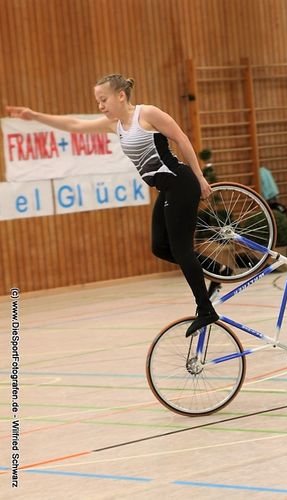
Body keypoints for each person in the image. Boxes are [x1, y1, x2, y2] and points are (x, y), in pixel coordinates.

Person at [6, 74, 218, 337]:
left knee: (181, 248)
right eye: (98, 101)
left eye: (103, 99)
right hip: (166, 189)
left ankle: (206, 309)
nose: (100, 106)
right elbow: (73, 125)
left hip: (181, 182)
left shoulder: (147, 114)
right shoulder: (115, 125)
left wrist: (200, 178)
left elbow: (181, 138)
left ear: (120, 95)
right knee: (160, 246)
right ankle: (214, 269)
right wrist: (34, 116)